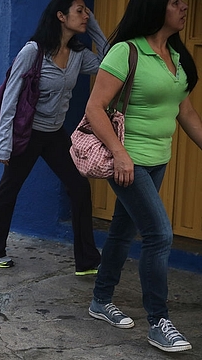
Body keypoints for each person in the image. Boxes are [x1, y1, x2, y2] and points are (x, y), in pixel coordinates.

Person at [85, 0, 201, 353]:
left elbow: (187, 112)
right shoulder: (125, 52)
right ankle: (159, 322)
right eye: (176, 2)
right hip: (128, 162)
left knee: (122, 229)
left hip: (157, 161)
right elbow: (94, 108)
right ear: (154, 7)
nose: (185, 8)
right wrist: (120, 155)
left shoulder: (175, 56)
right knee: (160, 235)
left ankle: (100, 300)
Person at [0, 0, 105, 275]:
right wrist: (4, 146)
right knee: (9, 190)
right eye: (80, 11)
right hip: (28, 133)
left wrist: (93, 25)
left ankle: (87, 260)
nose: (84, 15)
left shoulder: (78, 55)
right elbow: (10, 99)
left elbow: (109, 64)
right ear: (61, 16)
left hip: (55, 134)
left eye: (87, 11)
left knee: (79, 187)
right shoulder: (33, 52)